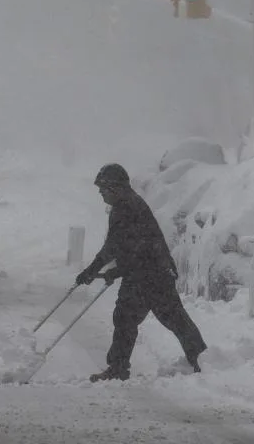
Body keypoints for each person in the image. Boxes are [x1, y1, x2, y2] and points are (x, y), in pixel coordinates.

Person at [75, 162, 207, 382]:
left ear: (115, 188)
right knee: (132, 318)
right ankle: (201, 358)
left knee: (170, 318)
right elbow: (126, 248)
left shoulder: (127, 208)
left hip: (152, 275)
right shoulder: (125, 205)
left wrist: (94, 270)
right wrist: (111, 271)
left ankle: (202, 359)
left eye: (103, 190)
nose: (101, 195)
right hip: (145, 273)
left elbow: (118, 247)